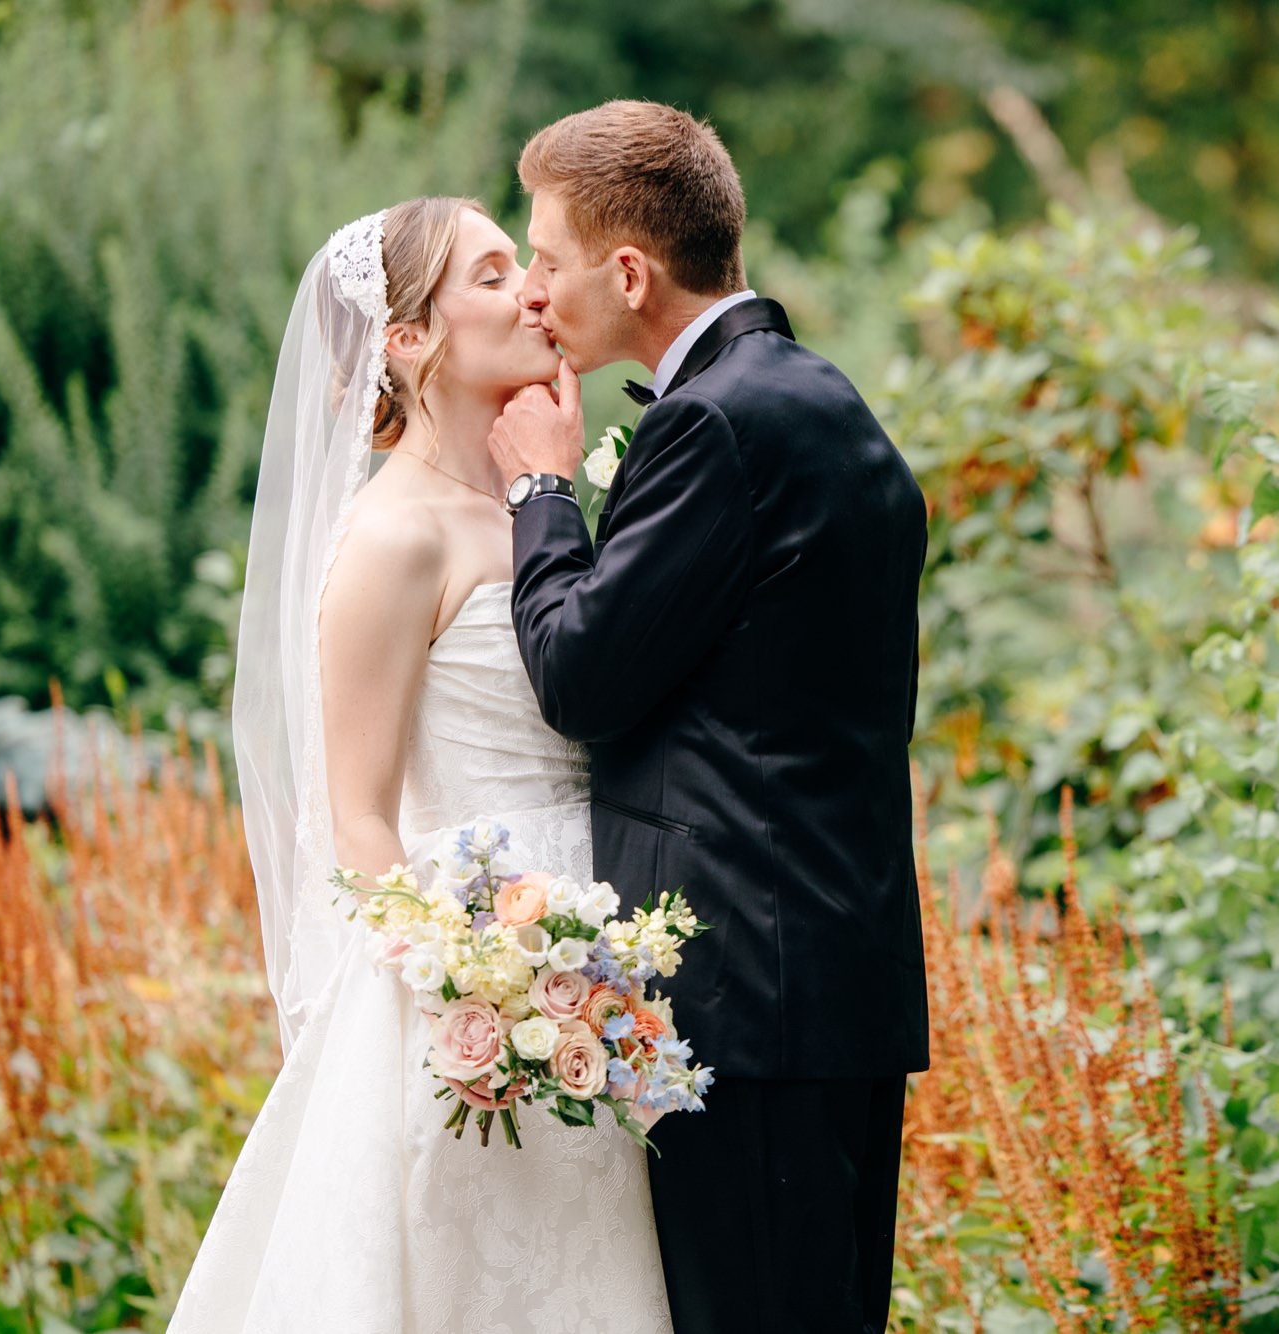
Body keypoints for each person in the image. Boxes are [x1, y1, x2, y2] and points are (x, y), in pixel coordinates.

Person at [169, 197, 673, 1333]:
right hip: (477, 977)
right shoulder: (393, 535)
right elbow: (351, 811)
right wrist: (475, 985)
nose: (533, 291)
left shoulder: (537, 499)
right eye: (492, 275)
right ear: (406, 340)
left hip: (595, 950)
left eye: (523, 265)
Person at [488, 100, 930, 1334]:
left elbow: (576, 674)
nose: (532, 290)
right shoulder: (816, 400)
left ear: (627, 271)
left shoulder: (713, 425)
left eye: (545, 256)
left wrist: (538, 488)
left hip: (747, 1000)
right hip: (826, 984)